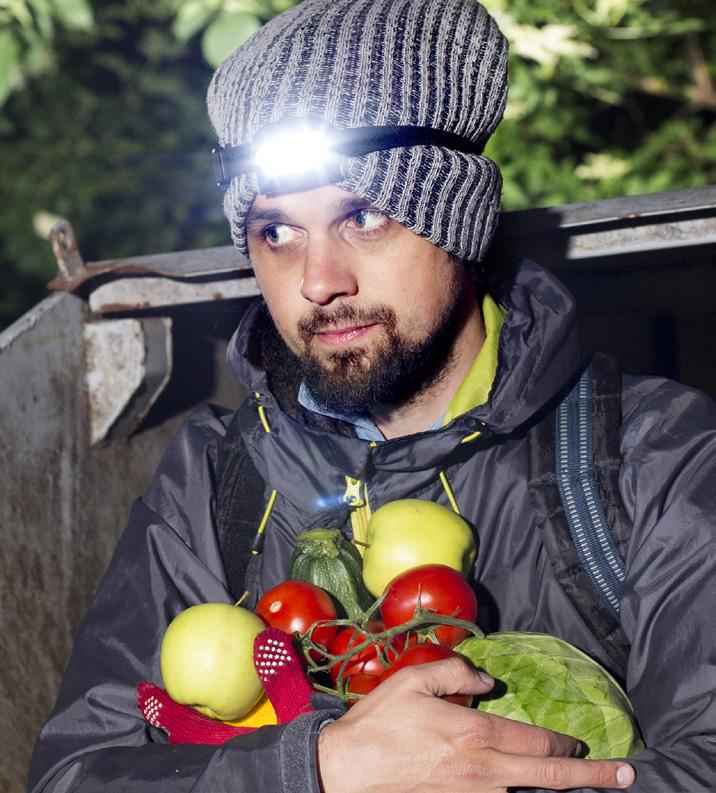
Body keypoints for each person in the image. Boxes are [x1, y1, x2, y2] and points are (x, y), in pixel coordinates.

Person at [28, 1, 716, 792]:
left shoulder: (650, 456)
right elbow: (74, 772)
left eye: (366, 216)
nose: (318, 281)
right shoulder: (216, 480)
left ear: (458, 220)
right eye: (277, 233)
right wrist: (314, 765)